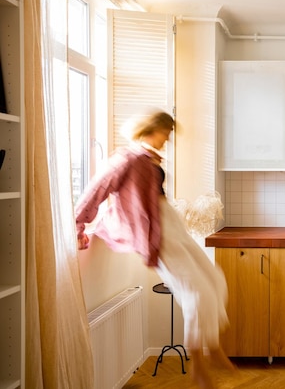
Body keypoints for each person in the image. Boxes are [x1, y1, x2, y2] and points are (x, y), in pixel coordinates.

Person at [75, 111, 233, 388]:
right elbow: (96, 189)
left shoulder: (146, 157)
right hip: (158, 235)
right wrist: (78, 224)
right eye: (166, 132)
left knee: (215, 280)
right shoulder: (127, 157)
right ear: (153, 128)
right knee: (196, 289)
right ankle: (198, 360)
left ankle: (211, 344)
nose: (168, 138)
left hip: (172, 226)